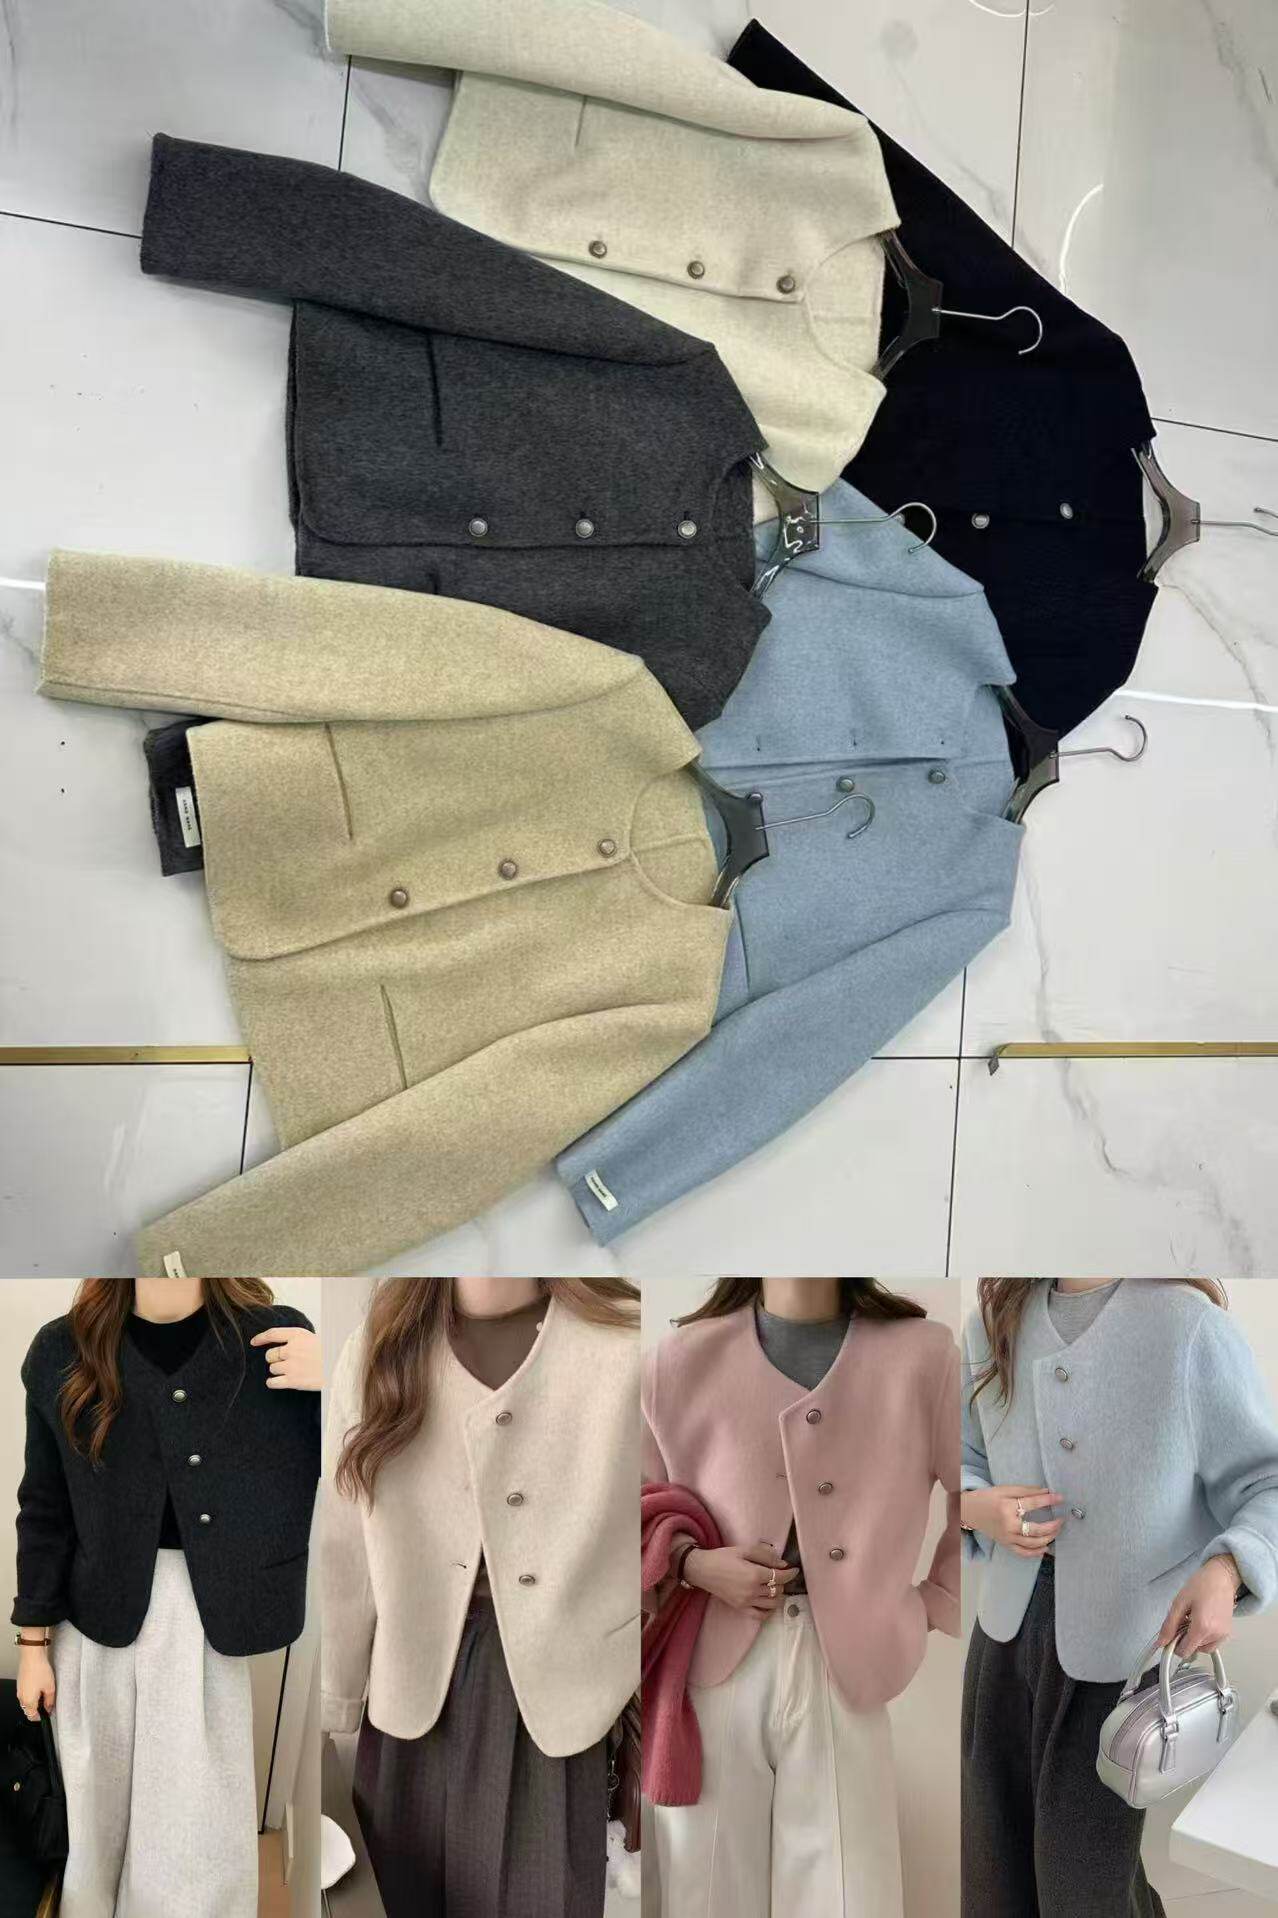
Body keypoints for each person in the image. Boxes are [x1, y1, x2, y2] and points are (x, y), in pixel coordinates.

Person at [322, 1276, 639, 1918]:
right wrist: (335, 1696)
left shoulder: (626, 1343)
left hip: (558, 1707)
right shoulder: (378, 1348)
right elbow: (343, 1544)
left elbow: (654, 1525)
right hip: (412, 1697)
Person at [961, 1277, 1278, 1917]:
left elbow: (1267, 1483)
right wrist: (973, 1507)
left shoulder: (1189, 1328)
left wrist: (1226, 1571)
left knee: (1087, 1894)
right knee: (995, 1879)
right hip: (1002, 1643)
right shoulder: (993, 1320)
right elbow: (954, 1459)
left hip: (1123, 1661)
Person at [644, 1276, 959, 1917]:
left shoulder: (925, 1357)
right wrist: (695, 1565)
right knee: (707, 1894)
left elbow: (978, 1487)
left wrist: (934, 1601)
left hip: (848, 1668)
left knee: (850, 1898)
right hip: (715, 1667)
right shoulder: (676, 1360)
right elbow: (623, 1511)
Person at [13, 1276, 320, 1918]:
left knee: (193, 1824)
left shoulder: (273, 1341)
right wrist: (33, 1645)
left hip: (203, 1624)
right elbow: (43, 1506)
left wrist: (339, 1384)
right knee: (94, 1817)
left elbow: (346, 1477)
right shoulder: (62, 1350)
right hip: (93, 1623)